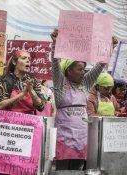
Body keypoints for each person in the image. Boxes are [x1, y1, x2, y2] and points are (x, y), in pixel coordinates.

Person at [50, 29, 118, 170]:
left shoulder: (85, 84)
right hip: (64, 137)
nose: (83, 72)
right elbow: (55, 64)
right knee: (62, 171)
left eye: (84, 69)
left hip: (81, 137)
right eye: (80, 69)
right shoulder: (60, 84)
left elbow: (99, 66)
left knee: (78, 171)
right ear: (69, 71)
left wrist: (110, 48)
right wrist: (55, 45)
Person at [0, 50, 46, 114]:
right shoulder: (5, 79)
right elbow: (1, 106)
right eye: (24, 58)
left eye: (29, 59)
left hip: (29, 121)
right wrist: (23, 94)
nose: (28, 61)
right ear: (14, 62)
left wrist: (31, 90)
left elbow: (41, 107)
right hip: (9, 120)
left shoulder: (34, 80)